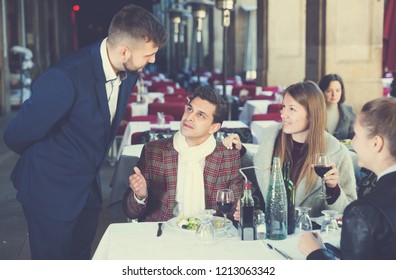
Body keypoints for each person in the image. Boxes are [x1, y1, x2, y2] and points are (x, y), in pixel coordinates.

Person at [3, 5, 167, 260]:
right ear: (124, 51)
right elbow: (16, 135)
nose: (153, 60)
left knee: (80, 259)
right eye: (149, 54)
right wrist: (55, 159)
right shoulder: (65, 78)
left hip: (87, 191)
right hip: (50, 191)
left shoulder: (129, 72)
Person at [223, 81, 357, 218]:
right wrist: (241, 151)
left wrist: (333, 189)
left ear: (311, 114)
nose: (283, 114)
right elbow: (260, 173)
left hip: (308, 235)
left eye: (291, 109)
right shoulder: (271, 137)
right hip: (272, 228)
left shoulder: (337, 153)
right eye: (283, 107)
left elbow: (349, 211)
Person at [123, 86, 243, 222]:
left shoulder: (228, 156)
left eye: (201, 115)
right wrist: (140, 196)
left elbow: (235, 208)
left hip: (208, 234)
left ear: (214, 128)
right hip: (164, 235)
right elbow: (130, 212)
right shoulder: (153, 151)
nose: (189, 117)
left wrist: (240, 210)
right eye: (190, 109)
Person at [298, 97, 396, 259]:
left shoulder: (363, 212)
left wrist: (315, 253)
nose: (352, 141)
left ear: (376, 144)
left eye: (356, 134)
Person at [318, 73, 356, 140]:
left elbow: (354, 137)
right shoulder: (313, 112)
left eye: (337, 90)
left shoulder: (349, 111)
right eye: (329, 91)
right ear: (321, 91)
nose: (334, 95)